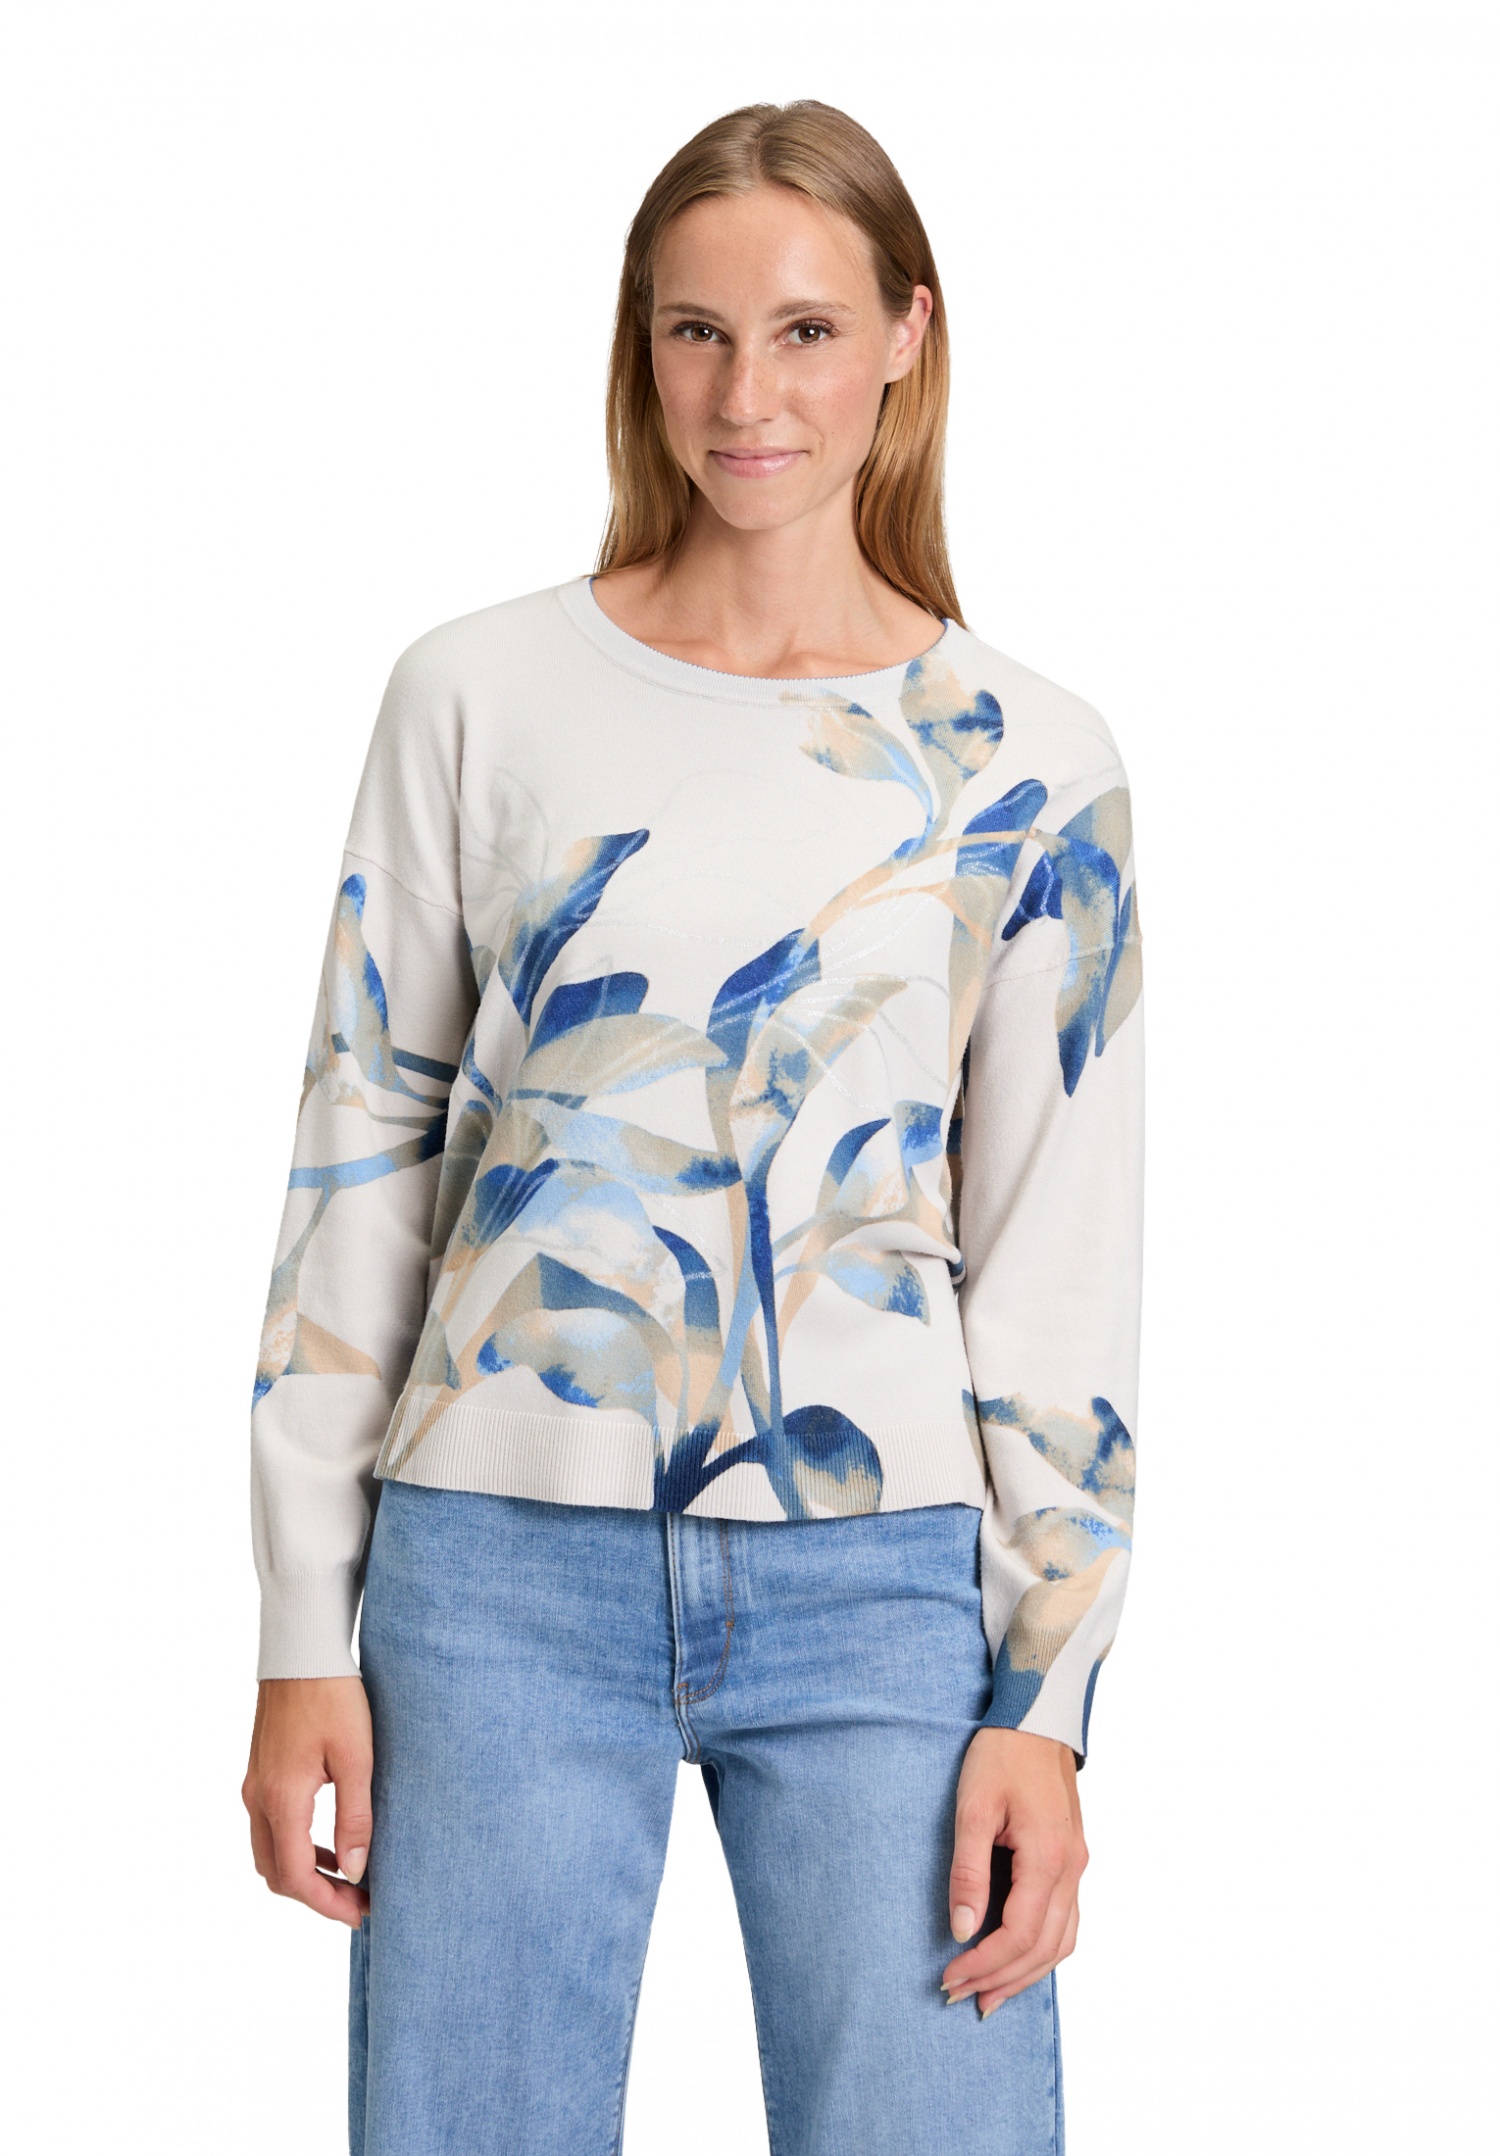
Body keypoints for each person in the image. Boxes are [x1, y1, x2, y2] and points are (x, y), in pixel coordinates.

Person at [241, 97, 1144, 2156]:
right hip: (495, 1569)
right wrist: (303, 1629)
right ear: (639, 349)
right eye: (699, 332)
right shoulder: (476, 692)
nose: (751, 396)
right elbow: (361, 1156)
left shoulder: (1028, 762)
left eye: (808, 331)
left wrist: (1049, 1696)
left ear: (908, 334)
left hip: (883, 1586)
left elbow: (1057, 1250)